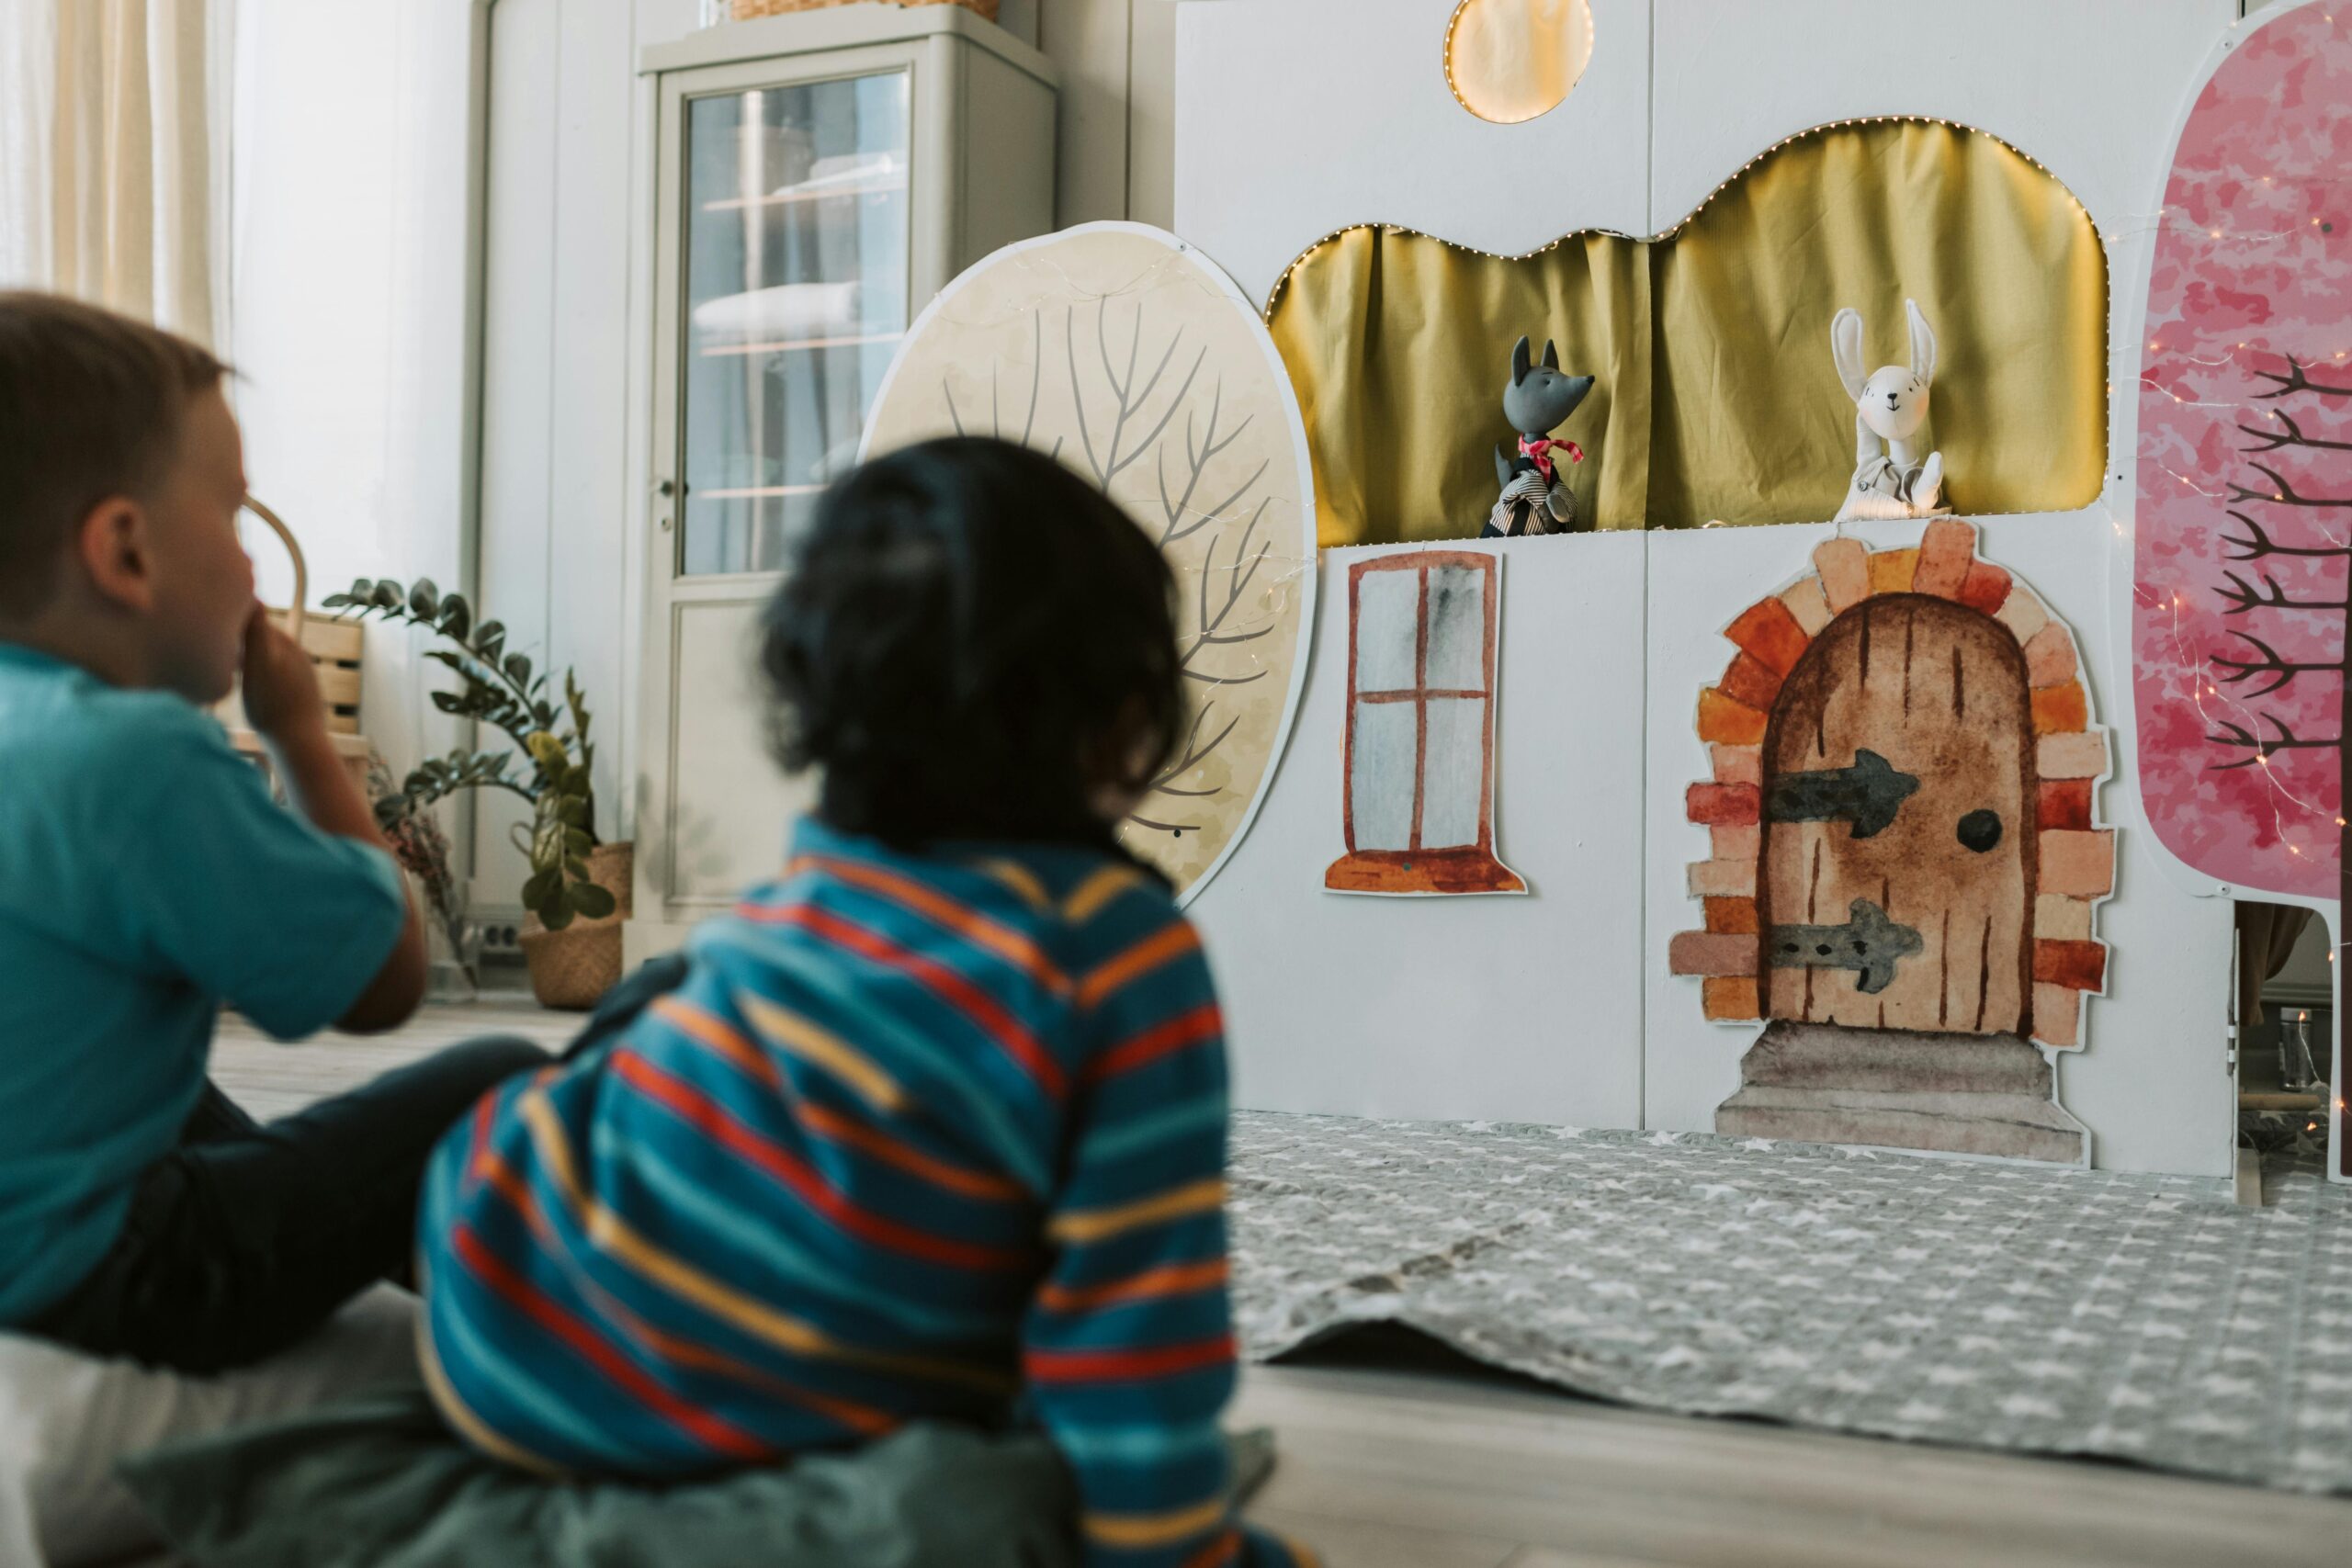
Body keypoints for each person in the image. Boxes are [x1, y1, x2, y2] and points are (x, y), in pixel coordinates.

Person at [417, 437, 1312, 1567]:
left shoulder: (815, 879)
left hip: (501, 1320)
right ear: (1116, 703)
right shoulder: (1117, 955)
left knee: (632, 1032)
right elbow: (1134, 1335)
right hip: (698, 1386)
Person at [0, 292, 546, 1372]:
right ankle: (548, 1352)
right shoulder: (135, 757)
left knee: (169, 1081)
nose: (252, 565)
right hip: (96, 1283)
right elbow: (384, 983)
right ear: (126, 553)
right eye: (236, 516)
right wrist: (300, 736)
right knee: (497, 1075)